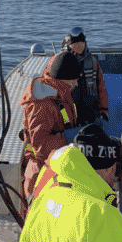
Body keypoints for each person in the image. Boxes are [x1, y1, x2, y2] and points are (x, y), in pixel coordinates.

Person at [20, 51, 82, 202]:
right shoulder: (42, 105)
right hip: (42, 175)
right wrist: (69, 139)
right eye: (74, 80)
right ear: (64, 80)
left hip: (55, 164)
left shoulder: (58, 93)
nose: (76, 84)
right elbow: (41, 146)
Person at [62, 27, 108, 126]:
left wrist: (103, 109)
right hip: (68, 110)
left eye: (81, 43)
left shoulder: (92, 61)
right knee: (70, 134)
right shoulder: (61, 62)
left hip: (90, 108)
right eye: (75, 44)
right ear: (69, 46)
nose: (79, 46)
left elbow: (101, 87)